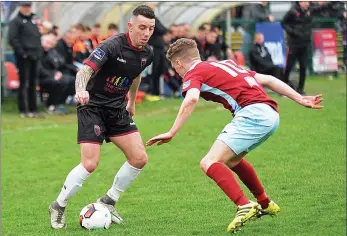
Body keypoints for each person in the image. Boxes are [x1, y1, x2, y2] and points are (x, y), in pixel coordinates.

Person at [146, 38, 323, 233]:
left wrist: (172, 131)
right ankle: (264, 203)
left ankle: (244, 205)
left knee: (209, 162)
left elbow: (192, 98)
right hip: (270, 115)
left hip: (253, 114)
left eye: (175, 67)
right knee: (232, 161)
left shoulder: (194, 72)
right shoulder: (224, 64)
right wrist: (300, 98)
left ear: (178, 63)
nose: (178, 72)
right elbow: (269, 80)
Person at [48, 5, 155, 229]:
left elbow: (135, 76)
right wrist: (80, 90)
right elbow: (84, 71)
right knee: (90, 164)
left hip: (117, 109)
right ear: (131, 26)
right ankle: (59, 205)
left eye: (151, 28)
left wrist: (132, 102)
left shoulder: (148, 53)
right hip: (93, 107)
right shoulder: (111, 46)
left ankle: (109, 200)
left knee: (139, 158)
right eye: (142, 27)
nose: (146, 33)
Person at [8, 1, 43, 118]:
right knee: (24, 83)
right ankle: (24, 109)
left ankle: (33, 109)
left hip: (35, 55)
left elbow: (38, 36)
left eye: (28, 6)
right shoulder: (16, 21)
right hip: (24, 56)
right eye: (25, 6)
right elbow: (13, 39)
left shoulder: (33, 20)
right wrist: (22, 53)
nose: (27, 9)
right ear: (20, 7)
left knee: (33, 83)